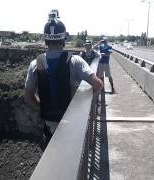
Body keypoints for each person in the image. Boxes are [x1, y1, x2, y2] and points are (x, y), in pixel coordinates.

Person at [24, 10, 103, 148]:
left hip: (49, 123)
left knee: (51, 160)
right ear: (64, 39)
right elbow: (98, 85)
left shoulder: (34, 64)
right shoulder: (75, 61)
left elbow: (29, 97)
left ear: (46, 39)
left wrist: (43, 108)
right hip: (71, 121)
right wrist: (81, 105)